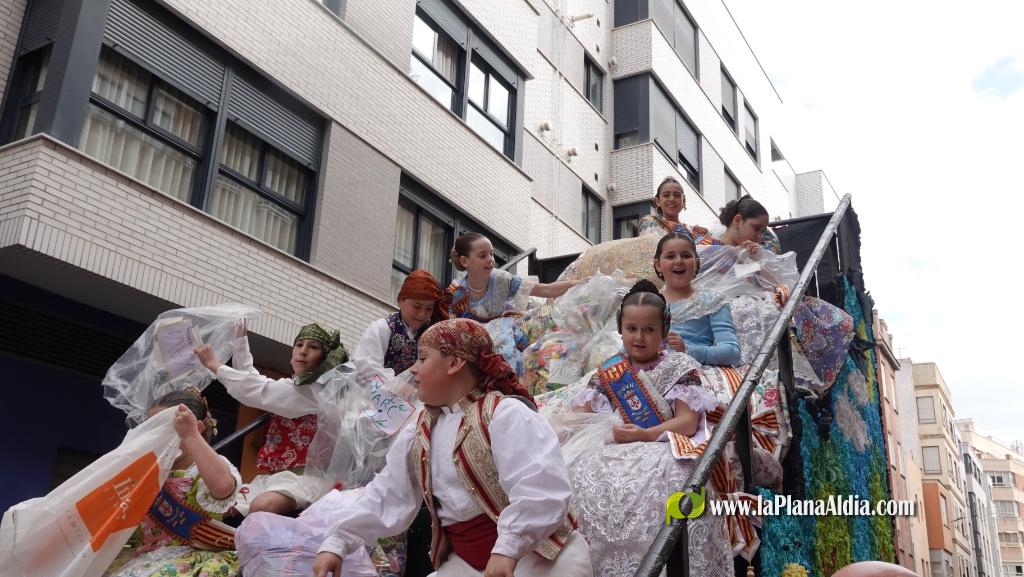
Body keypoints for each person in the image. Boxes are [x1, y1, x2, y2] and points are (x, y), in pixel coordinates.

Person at [312, 318, 592, 577]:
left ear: (455, 362)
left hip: (538, 560)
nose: (414, 369)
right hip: (466, 566)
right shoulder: (419, 429)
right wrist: (339, 539)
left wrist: (508, 547)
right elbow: (388, 493)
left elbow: (542, 487)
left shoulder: (505, 414)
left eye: (422, 358)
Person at [568, 280, 732, 577]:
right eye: (632, 329)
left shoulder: (680, 365)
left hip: (664, 446)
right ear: (621, 330)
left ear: (664, 332)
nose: (639, 337)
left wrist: (644, 434)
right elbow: (581, 415)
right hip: (614, 448)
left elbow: (687, 421)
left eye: (649, 330)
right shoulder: (611, 371)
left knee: (682, 479)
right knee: (577, 472)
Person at [195, 322, 348, 516]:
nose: (303, 351)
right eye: (299, 345)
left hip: (307, 481)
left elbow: (255, 390)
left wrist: (214, 365)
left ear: (325, 357)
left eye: (313, 347)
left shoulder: (315, 391)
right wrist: (240, 341)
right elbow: (253, 382)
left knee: (262, 506)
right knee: (222, 507)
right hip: (277, 479)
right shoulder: (297, 387)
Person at [104, 388, 241, 577]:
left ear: (197, 428)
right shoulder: (149, 470)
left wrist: (191, 436)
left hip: (194, 560)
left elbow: (223, 487)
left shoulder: (207, 467)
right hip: (147, 556)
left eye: (165, 429)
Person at [447, 232, 580, 375]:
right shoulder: (456, 291)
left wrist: (576, 283)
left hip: (509, 329)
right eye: (482, 255)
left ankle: (562, 374)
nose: (490, 260)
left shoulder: (501, 279)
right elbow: (453, 330)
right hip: (478, 343)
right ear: (464, 261)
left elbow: (545, 289)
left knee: (549, 321)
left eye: (491, 254)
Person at [655, 232, 741, 367]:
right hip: (646, 375)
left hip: (695, 378)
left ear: (696, 262)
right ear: (658, 264)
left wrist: (687, 350)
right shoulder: (646, 302)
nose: (678, 261)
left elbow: (732, 353)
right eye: (670, 256)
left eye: (686, 255)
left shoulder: (713, 300)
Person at [353, 269, 447, 385]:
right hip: (373, 399)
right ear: (400, 300)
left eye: (429, 309)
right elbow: (365, 367)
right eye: (417, 306)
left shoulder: (431, 337)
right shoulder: (382, 328)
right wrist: (396, 387)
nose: (422, 314)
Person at [636, 176, 709, 238]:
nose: (672, 199)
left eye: (677, 195)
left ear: (684, 201)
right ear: (657, 201)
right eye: (666, 195)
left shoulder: (693, 231)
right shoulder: (650, 222)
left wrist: (704, 235)